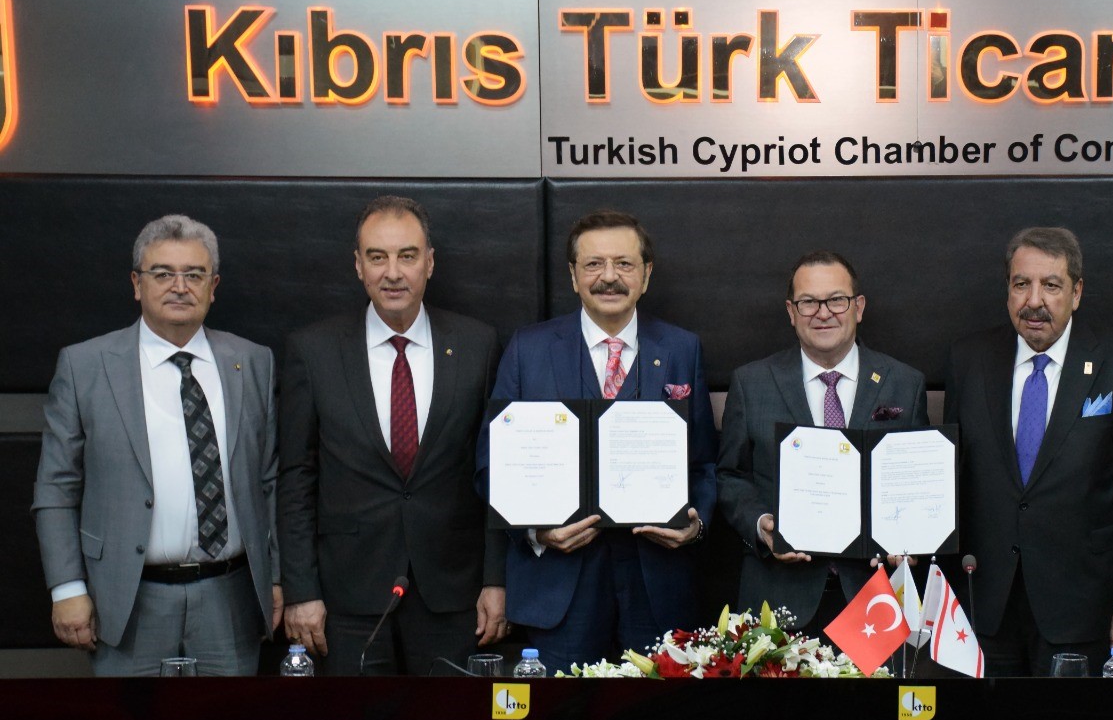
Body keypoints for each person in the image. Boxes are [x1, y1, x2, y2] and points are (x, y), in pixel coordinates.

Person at [33, 215, 280, 675]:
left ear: (213, 286)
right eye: (163, 273)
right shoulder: (86, 366)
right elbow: (56, 488)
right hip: (125, 601)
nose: (179, 287)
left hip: (231, 601)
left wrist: (278, 577)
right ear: (136, 283)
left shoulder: (252, 362)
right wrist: (67, 588)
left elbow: (270, 482)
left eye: (194, 274)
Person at [278, 196, 506, 675]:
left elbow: (496, 474)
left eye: (407, 255)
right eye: (377, 257)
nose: (393, 273)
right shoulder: (313, 350)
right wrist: (301, 591)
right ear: (358, 265)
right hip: (346, 598)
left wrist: (496, 579)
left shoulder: (477, 344)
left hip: (453, 592)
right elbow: (297, 478)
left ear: (430, 263)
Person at [482, 210, 716, 668]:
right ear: (573, 276)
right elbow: (489, 465)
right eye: (593, 264)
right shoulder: (528, 350)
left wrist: (696, 526)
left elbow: (705, 462)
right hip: (559, 587)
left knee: (657, 713)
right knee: (562, 712)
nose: (609, 277)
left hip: (657, 585)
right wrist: (536, 531)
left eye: (624, 264)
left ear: (646, 274)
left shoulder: (681, 349)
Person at [942, 226, 1113, 676]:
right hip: (984, 604)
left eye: (1051, 285)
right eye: (1021, 284)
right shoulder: (969, 360)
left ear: (1076, 293)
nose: (1034, 301)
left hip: (1083, 608)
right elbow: (950, 479)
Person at [717, 251, 928, 630]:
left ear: (858, 307)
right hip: (777, 598)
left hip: (874, 600)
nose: (823, 313)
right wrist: (761, 524)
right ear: (791, 311)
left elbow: (918, 483)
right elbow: (731, 476)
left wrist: (912, 537)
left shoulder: (905, 383)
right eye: (808, 302)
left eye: (836, 300)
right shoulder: (751, 383)